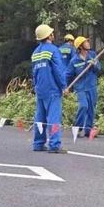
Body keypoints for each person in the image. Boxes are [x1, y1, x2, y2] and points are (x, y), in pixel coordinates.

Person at [31, 24, 68, 153]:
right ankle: (54, 144)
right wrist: (64, 86)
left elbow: (34, 72)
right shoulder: (53, 50)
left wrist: (35, 86)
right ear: (49, 35)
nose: (53, 34)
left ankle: (38, 143)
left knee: (40, 117)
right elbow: (58, 70)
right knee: (53, 118)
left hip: (40, 88)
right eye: (51, 33)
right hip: (52, 88)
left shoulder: (35, 52)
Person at [65, 36, 101, 138]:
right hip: (80, 87)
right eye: (85, 42)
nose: (88, 43)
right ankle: (77, 127)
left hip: (92, 86)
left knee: (91, 109)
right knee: (84, 106)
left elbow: (99, 69)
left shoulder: (92, 55)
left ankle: (88, 131)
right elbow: (68, 75)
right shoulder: (74, 60)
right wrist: (66, 87)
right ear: (80, 46)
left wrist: (94, 64)